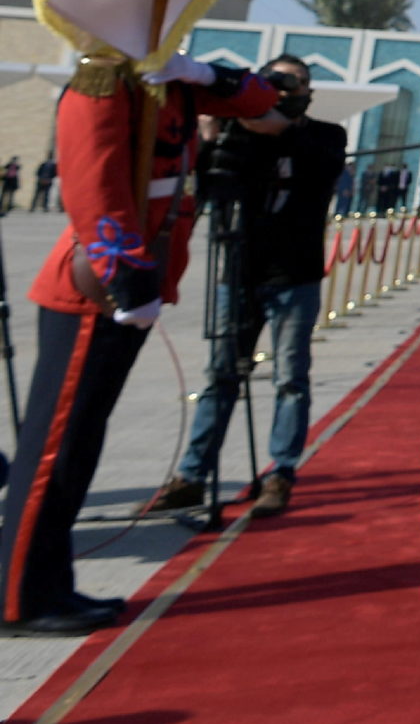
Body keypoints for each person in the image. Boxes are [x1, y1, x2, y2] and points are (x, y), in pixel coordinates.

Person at [1, 50, 275, 635]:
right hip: (98, 288)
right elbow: (92, 185)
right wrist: (124, 274)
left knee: (79, 447)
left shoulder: (166, 80)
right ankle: (16, 595)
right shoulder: (102, 79)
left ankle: (49, 583)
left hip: (141, 278)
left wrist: (204, 74)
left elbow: (260, 99)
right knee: (54, 450)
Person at [147, 54, 347, 520]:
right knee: (220, 377)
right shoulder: (235, 133)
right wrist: (212, 134)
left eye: (293, 82)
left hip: (293, 276)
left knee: (289, 379)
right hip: (236, 272)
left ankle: (281, 472)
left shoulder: (324, 135)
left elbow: (320, 166)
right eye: (273, 81)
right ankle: (193, 476)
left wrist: (275, 126)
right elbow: (206, 188)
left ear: (308, 90)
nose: (282, 89)